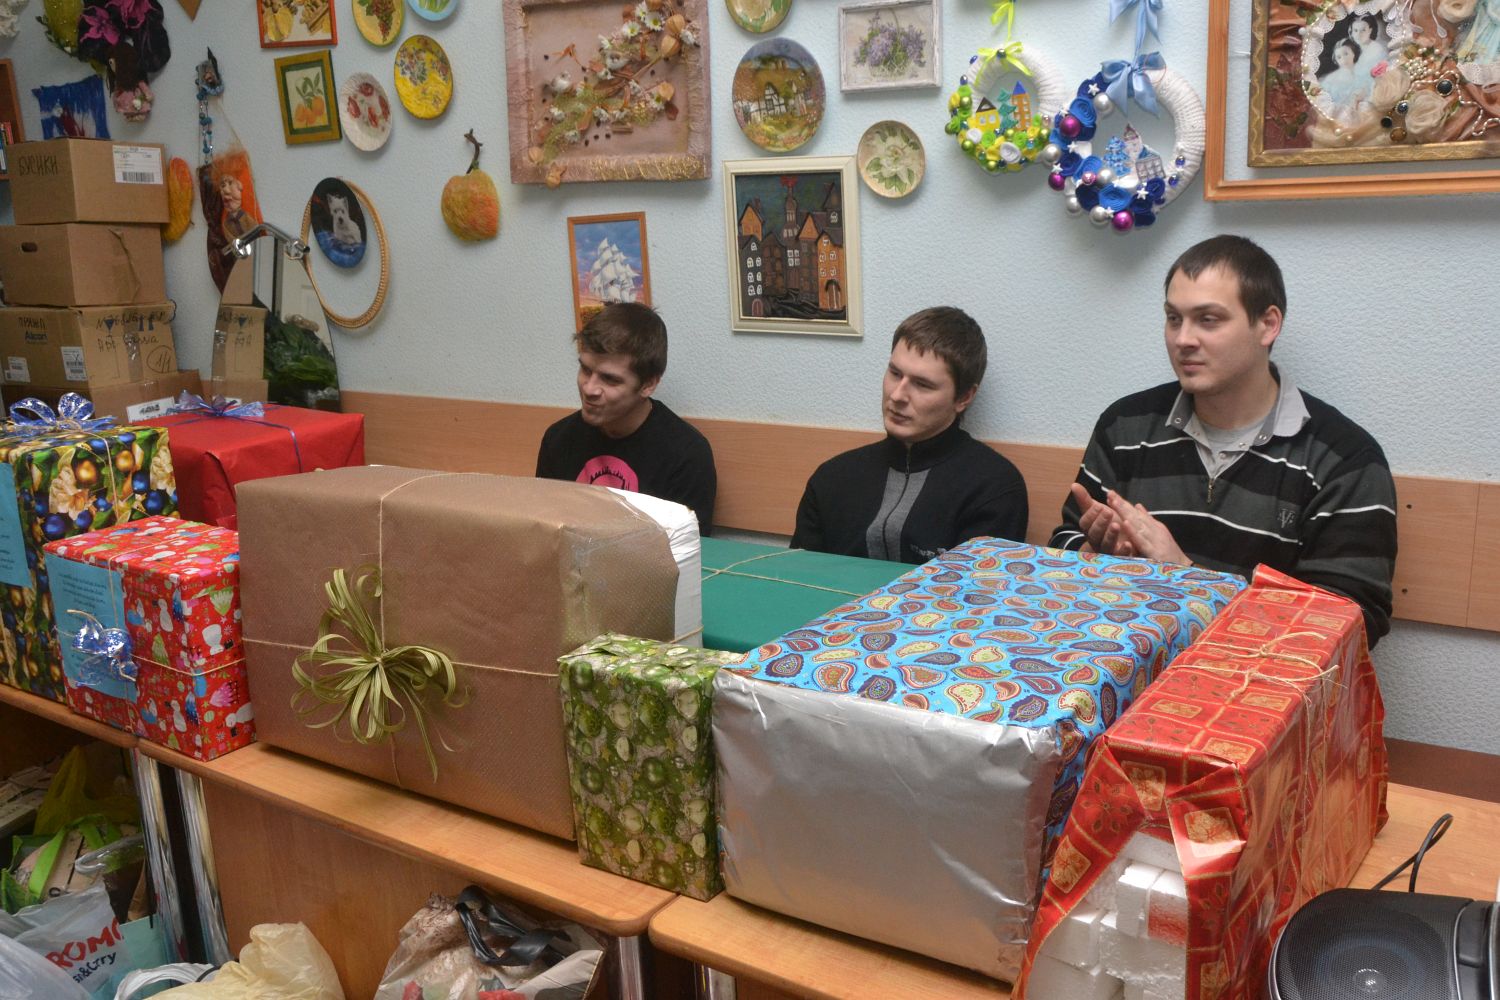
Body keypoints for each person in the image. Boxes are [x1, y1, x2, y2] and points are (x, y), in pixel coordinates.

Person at [1050, 235, 1398, 643]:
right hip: (1124, 663)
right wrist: (1096, 556)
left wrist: (1187, 577)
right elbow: (1060, 548)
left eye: (1208, 319)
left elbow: (1351, 625)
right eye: (1174, 318)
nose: (1183, 339)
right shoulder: (1125, 426)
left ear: (1267, 325)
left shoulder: (1343, 459)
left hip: (1254, 680)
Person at [792, 307, 1028, 564]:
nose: (897, 395)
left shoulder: (994, 487)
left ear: (964, 397)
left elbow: (977, 586)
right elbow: (796, 576)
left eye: (922, 384)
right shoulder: (832, 478)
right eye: (895, 374)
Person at [536, 303, 717, 536]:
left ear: (648, 384)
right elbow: (545, 533)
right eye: (586, 370)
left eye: (610, 379)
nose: (589, 388)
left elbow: (687, 550)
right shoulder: (558, 439)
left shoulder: (686, 455)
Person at [1319, 39, 1369, 112]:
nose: (1343, 59)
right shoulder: (1331, 80)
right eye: (1339, 57)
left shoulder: (1363, 73)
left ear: (1353, 53)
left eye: (1346, 54)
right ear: (1336, 60)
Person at [1349, 15, 1388, 82]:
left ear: (1370, 31)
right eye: (1355, 30)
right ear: (1351, 32)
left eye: (1363, 30)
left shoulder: (1376, 49)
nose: (1359, 34)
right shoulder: (1355, 49)